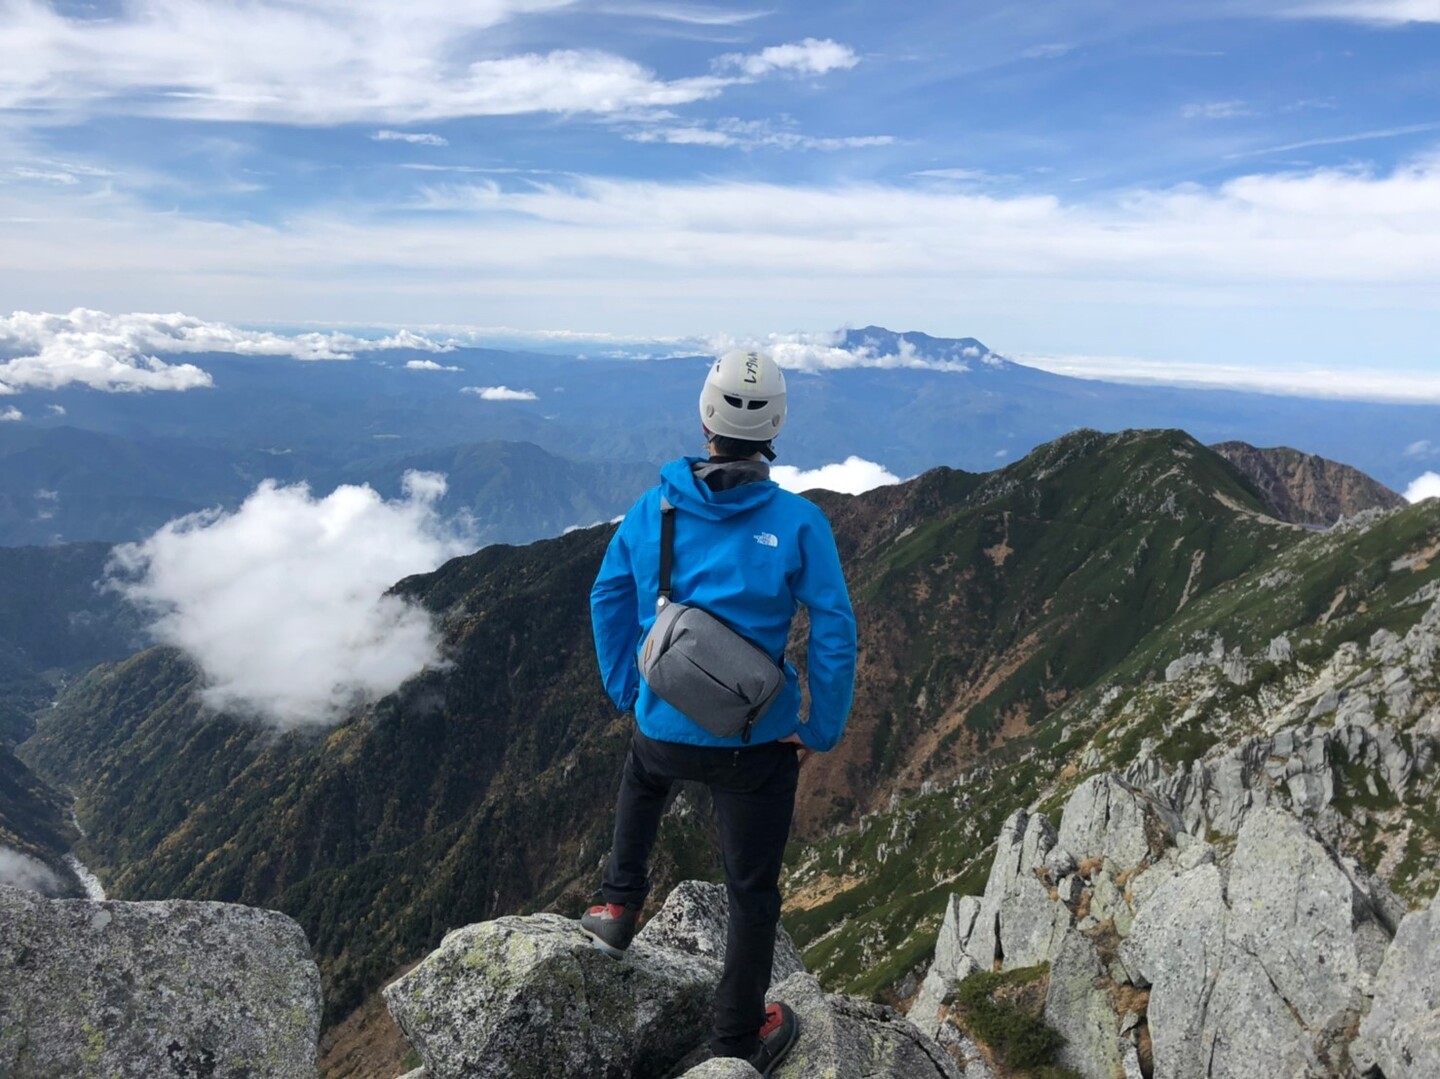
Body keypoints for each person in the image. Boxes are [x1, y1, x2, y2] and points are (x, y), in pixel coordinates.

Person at [584, 348, 858, 1075]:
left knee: (642, 776)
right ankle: (738, 1038)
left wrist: (628, 688)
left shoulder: (654, 508)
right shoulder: (801, 522)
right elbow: (836, 630)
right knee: (751, 892)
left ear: (705, 417)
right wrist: (819, 727)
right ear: (777, 425)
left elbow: (606, 596)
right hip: (755, 745)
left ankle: (617, 905)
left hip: (663, 728)